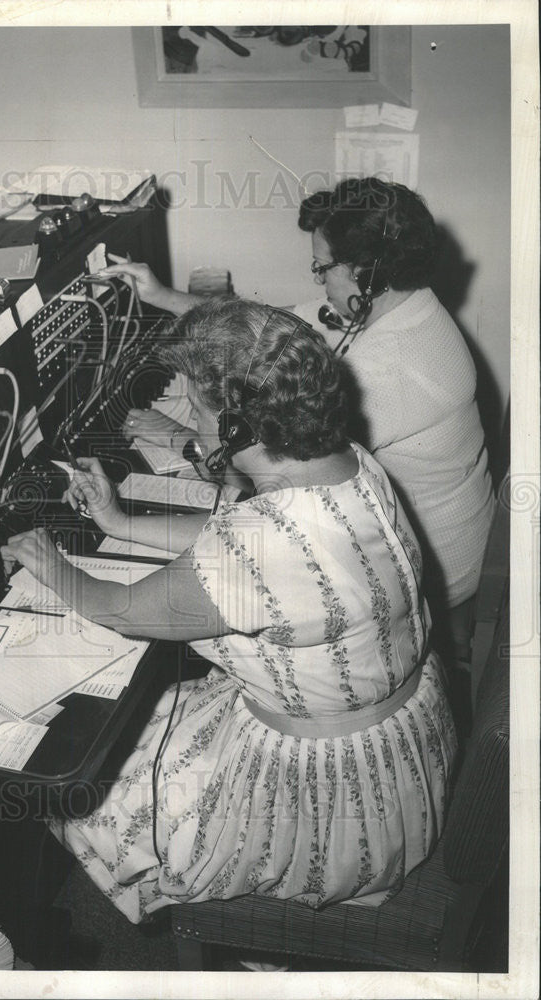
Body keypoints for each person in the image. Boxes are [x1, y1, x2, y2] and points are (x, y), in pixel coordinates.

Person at [1, 298, 458, 924]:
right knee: (159, 714)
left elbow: (129, 610)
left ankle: (240, 935)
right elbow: (239, 535)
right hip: (397, 751)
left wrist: (52, 565)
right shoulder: (353, 464)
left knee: (80, 797)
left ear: (240, 427)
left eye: (198, 406)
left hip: (324, 803)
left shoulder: (260, 541)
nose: (189, 415)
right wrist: (119, 520)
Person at [99, 178, 496, 655]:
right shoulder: (407, 307)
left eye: (323, 267)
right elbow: (270, 330)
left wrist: (187, 439)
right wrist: (160, 295)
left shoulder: (391, 369)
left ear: (366, 274)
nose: (318, 280)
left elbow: (276, 468)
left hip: (428, 568)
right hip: (435, 530)